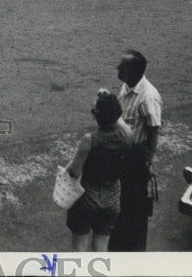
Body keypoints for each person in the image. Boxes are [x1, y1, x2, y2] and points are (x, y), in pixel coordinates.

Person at [64, 90, 133, 252]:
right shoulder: (127, 136)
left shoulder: (90, 140)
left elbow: (74, 172)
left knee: (80, 248)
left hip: (88, 195)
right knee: (101, 248)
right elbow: (119, 121)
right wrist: (110, 101)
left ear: (97, 116)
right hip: (112, 196)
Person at [109, 50, 162, 251]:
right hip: (121, 153)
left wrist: (148, 161)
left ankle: (134, 251)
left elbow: (154, 129)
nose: (117, 69)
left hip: (136, 157)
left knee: (136, 208)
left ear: (132, 70)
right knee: (119, 202)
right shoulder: (126, 87)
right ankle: (118, 243)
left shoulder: (148, 97)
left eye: (122, 67)